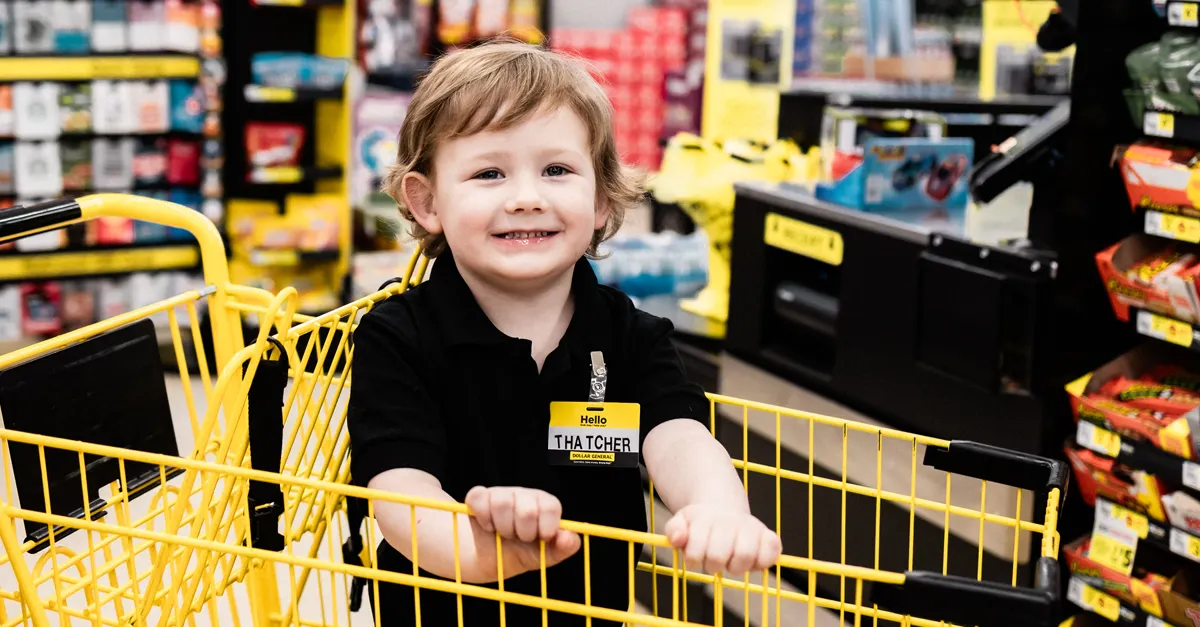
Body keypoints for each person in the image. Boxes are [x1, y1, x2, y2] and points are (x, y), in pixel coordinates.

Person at [347, 39, 782, 627]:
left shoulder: (631, 334)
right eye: (489, 173)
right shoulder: (397, 336)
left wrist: (717, 509)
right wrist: (485, 551)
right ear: (426, 202)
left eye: (556, 170)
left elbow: (679, 438)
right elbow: (401, 494)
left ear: (601, 198)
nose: (527, 198)